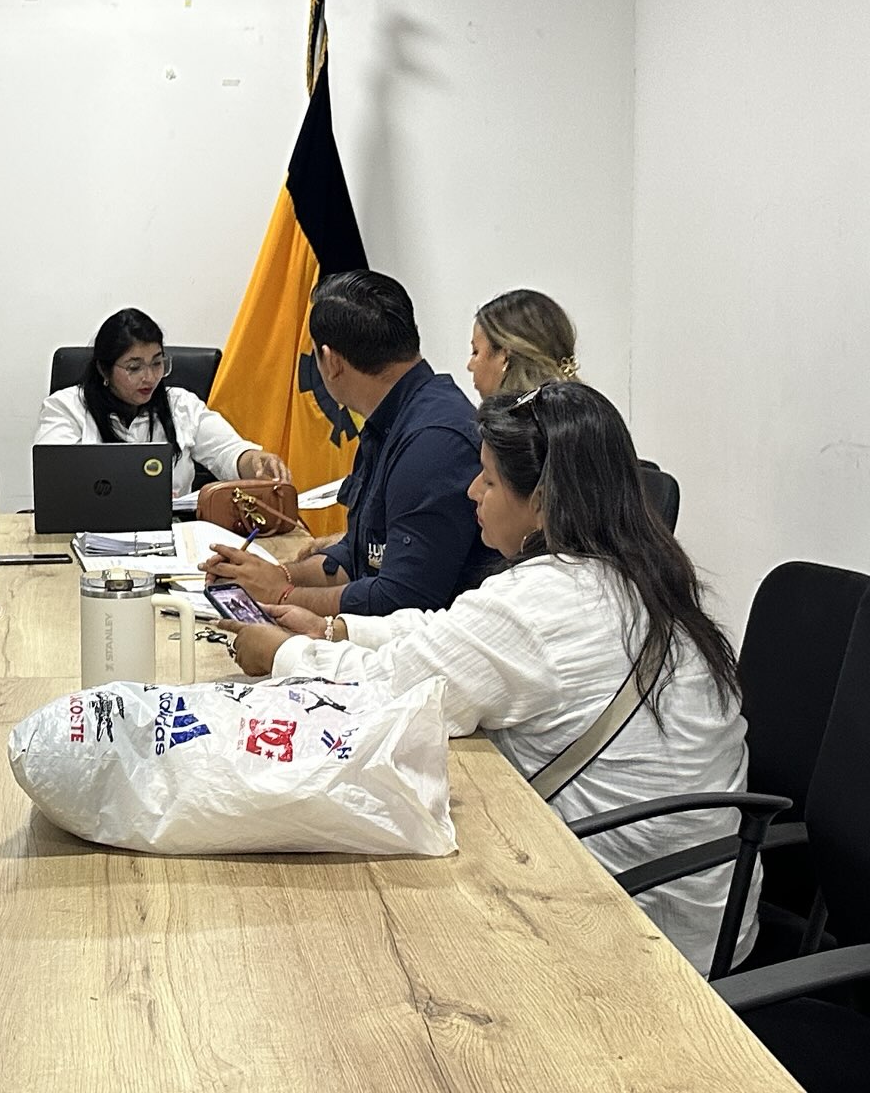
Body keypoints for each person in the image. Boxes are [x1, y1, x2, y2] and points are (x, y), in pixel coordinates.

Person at [222, 381, 754, 975]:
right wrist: (335, 631)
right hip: (706, 918)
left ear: (542, 500)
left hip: (639, 942)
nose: (473, 491)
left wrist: (283, 655)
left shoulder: (545, 602)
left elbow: (392, 691)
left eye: (491, 480)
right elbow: (452, 634)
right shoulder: (636, 572)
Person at [203, 270, 498, 616]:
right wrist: (277, 575)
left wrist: (281, 594)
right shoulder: (396, 415)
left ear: (331, 361)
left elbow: (402, 599)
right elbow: (364, 555)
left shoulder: (433, 442)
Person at [35, 307, 291, 497]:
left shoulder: (182, 405)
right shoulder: (66, 407)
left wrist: (254, 461)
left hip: (171, 534)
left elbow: (227, 451)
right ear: (104, 370)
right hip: (89, 531)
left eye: (157, 363)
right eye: (134, 367)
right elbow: (54, 476)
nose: (149, 377)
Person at [466, 288, 580, 399]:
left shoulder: (519, 412)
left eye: (475, 352)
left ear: (504, 357)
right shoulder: (584, 406)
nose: (470, 366)